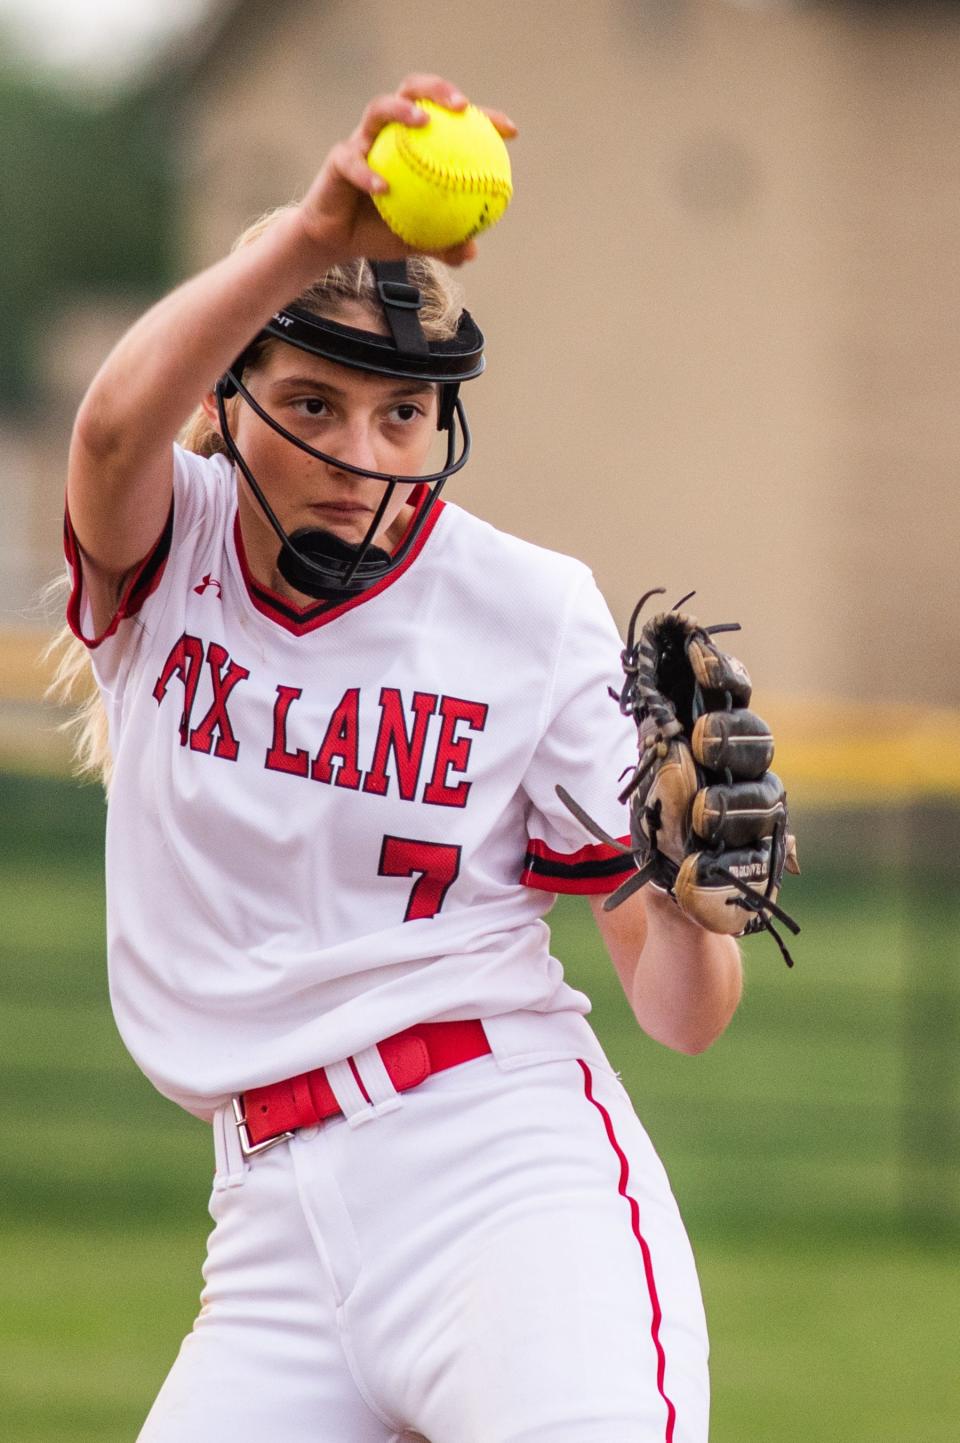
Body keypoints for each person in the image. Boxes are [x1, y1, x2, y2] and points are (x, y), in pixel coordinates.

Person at [62, 73, 742, 1443]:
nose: (358, 456)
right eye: (311, 403)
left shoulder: (526, 610)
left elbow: (681, 1010)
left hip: (502, 1176)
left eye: (401, 416)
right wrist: (316, 235)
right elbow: (110, 430)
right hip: (266, 1230)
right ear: (231, 397)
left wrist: (698, 900)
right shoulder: (171, 543)